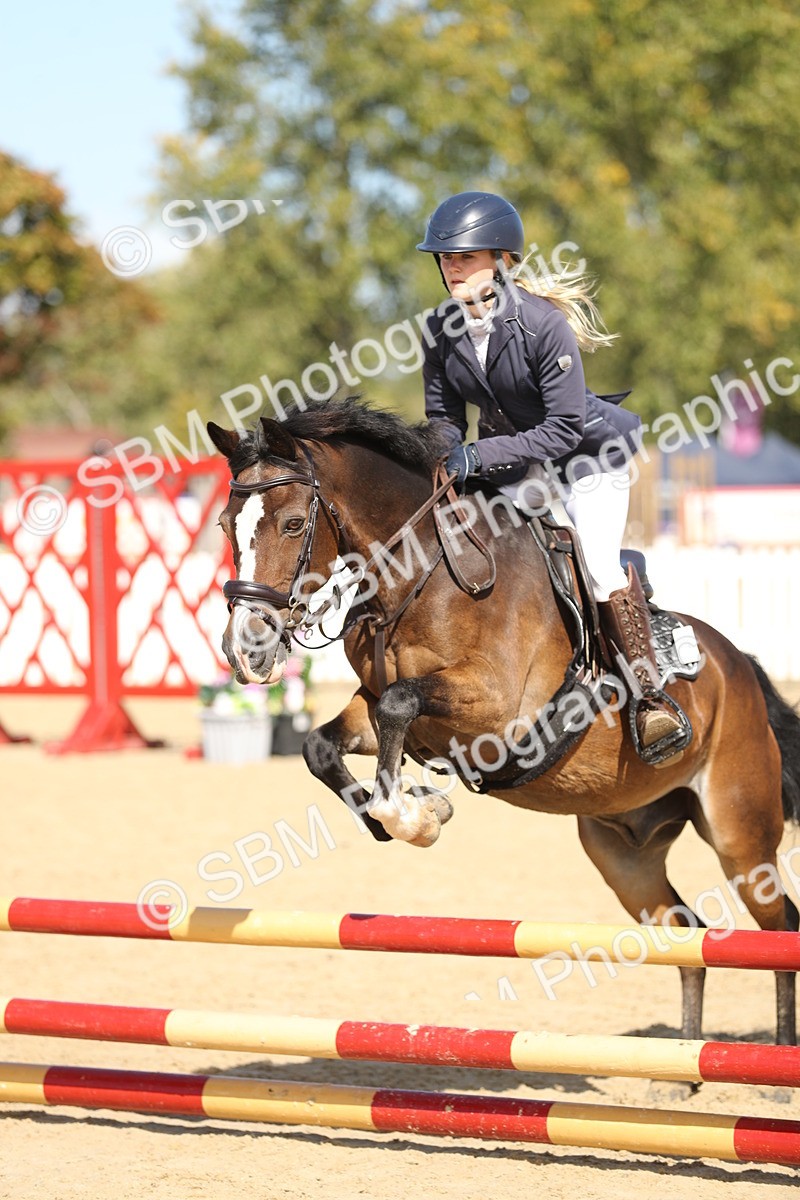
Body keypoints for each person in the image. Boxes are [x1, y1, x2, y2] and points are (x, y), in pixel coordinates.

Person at [417, 189, 683, 762]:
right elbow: (443, 419)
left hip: (587, 456)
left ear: (499, 258)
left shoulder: (543, 326)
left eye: (463, 255)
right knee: (479, 537)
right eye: (445, 257)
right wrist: (436, 458)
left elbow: (563, 430)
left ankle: (650, 696)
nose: (451, 266)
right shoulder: (439, 330)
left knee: (596, 564)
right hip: (519, 457)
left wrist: (478, 458)